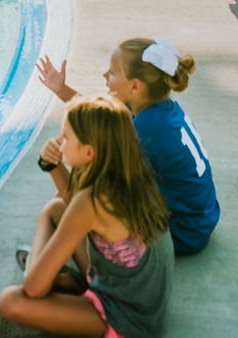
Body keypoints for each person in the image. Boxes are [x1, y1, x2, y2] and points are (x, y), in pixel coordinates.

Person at [0, 95, 174, 338]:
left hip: (130, 323)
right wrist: (51, 164)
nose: (59, 140)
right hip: (141, 299)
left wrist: (40, 276)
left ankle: (54, 306)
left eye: (65, 136)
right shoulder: (128, 174)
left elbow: (34, 289)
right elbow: (69, 199)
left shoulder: (92, 201)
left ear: (89, 152)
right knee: (55, 208)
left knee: (12, 301)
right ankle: (68, 285)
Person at [36, 37, 219, 256]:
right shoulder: (155, 108)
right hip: (198, 221)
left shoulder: (145, 132)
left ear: (135, 86)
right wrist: (61, 89)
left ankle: (61, 262)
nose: (105, 76)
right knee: (79, 170)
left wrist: (53, 165)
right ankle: (50, 247)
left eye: (112, 73)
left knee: (82, 182)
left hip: (180, 233)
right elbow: (99, 115)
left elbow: (87, 197)